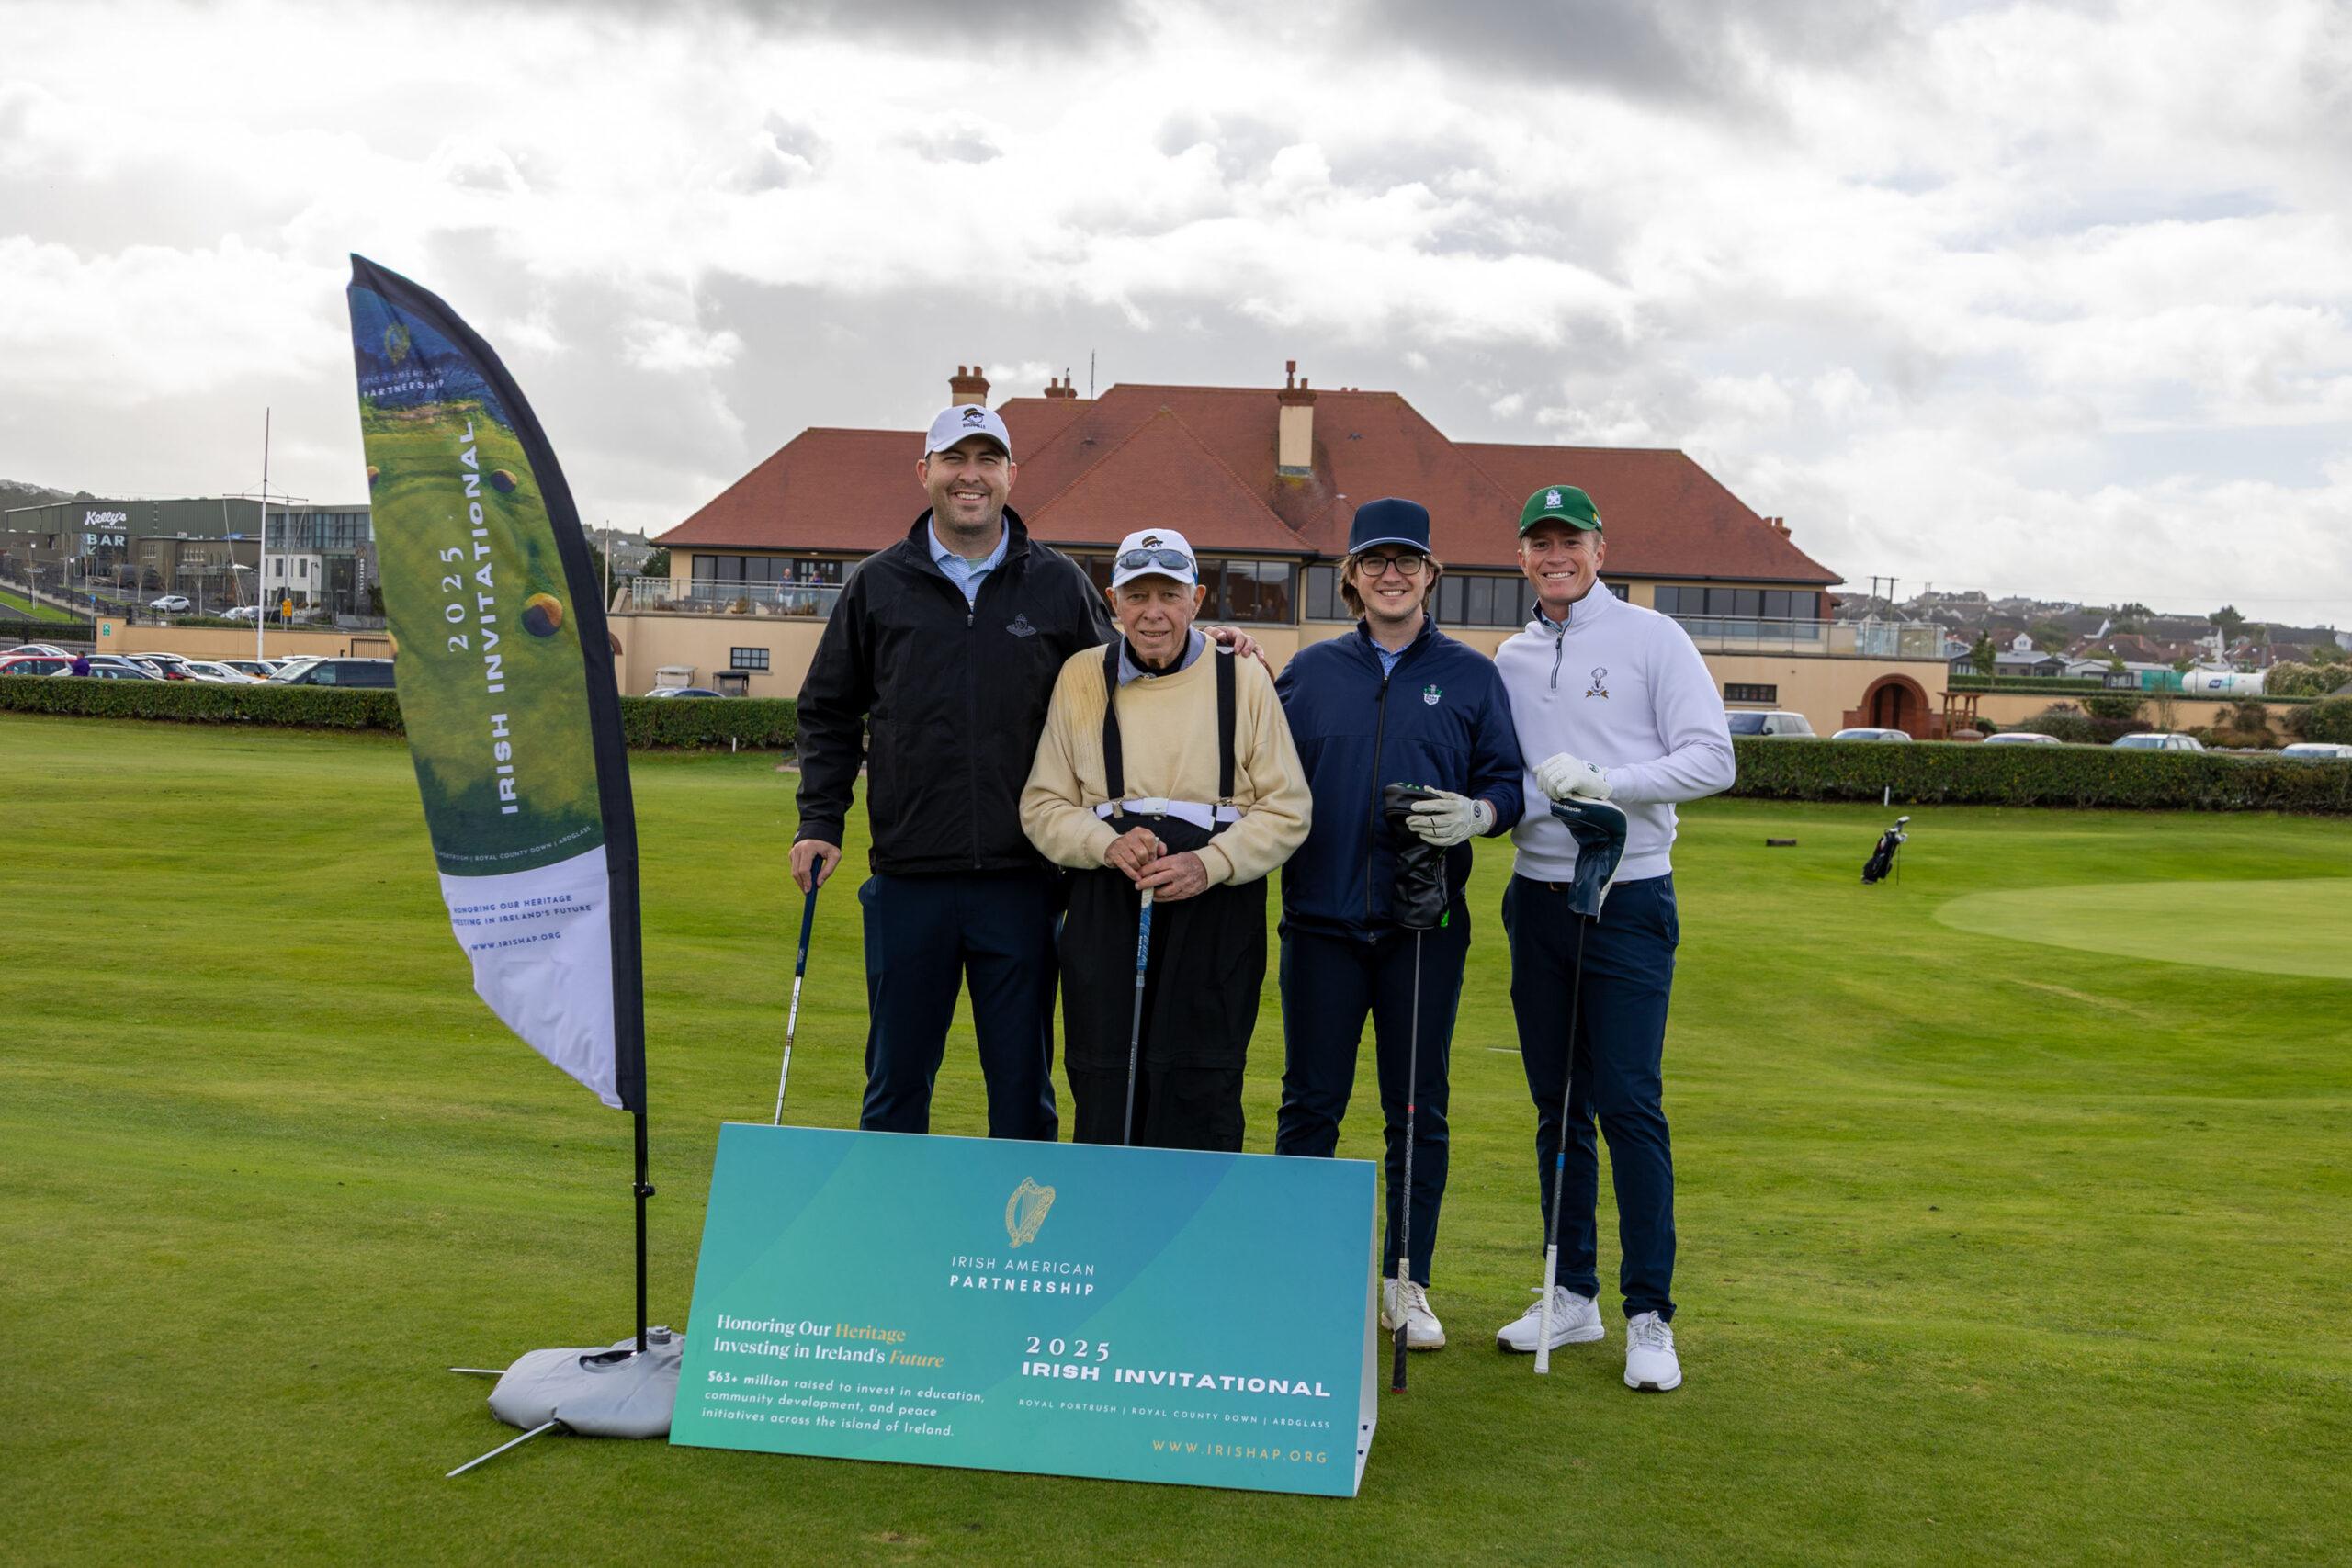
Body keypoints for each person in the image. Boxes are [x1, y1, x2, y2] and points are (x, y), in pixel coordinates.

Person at [789, 404, 1114, 1141]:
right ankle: (893, 1218)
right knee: (895, 1087)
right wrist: (820, 820)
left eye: (987, 459)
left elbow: (1121, 693)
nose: (972, 476)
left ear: (1011, 474)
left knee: (1023, 1093)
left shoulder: (1059, 585)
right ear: (925, 471)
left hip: (1024, 882)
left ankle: (1020, 1222)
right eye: (955, 459)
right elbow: (828, 710)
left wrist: (1214, 649)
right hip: (909, 880)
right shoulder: (877, 584)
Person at [1490, 483, 1734, 1393]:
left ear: (1600, 549)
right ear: (1521, 555)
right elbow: (1513, 777)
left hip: (1628, 895)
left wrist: (1609, 780)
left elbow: (1713, 758)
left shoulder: (1651, 638)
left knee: (1629, 1103)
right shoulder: (1511, 656)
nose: (1556, 556)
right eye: (1540, 542)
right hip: (1537, 895)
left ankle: (1648, 1313)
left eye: (1572, 541)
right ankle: (1572, 1293)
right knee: (1558, 1107)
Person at [1272, 498, 1524, 1352]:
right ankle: (1300, 1272)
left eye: (1406, 561)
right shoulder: (1310, 672)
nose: (1391, 574)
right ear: (1351, 575)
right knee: (1310, 1104)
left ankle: (1405, 1281)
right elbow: (1260, 772)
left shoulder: (1471, 675)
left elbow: (1508, 782)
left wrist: (1480, 813)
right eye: (1375, 561)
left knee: (1416, 1109)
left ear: (1430, 573)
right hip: (1320, 922)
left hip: (1424, 927)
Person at [1020, 529, 1309, 1150]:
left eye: (1170, 595)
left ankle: (1195, 1214)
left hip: (1216, 905)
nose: (1153, 613)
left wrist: (1212, 863)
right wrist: (1102, 843)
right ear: (1113, 602)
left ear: (1196, 599)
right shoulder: (1081, 676)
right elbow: (1042, 805)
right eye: (1137, 595)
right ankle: (1106, 1211)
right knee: (1104, 1073)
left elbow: (1288, 808)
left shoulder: (1243, 676)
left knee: (1202, 1077)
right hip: (1107, 897)